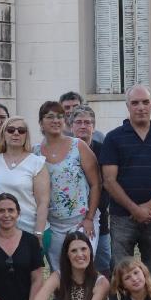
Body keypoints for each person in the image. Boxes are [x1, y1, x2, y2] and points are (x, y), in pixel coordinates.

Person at [98, 85, 151, 284]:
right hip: (122, 216)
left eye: (145, 102)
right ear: (127, 105)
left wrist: (148, 207)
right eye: (135, 103)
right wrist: (135, 209)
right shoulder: (114, 138)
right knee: (121, 271)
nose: (141, 107)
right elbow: (109, 181)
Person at [35, 100, 100, 269]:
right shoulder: (34, 153)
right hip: (52, 224)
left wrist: (89, 218)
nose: (56, 121)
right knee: (59, 272)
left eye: (59, 117)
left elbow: (95, 184)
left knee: (82, 268)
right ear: (41, 123)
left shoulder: (78, 146)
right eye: (50, 117)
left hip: (80, 221)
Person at [0, 117, 51, 246]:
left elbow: (43, 202)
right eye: (11, 130)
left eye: (21, 130)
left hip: (29, 229)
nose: (16, 133)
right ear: (3, 134)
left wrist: (38, 233)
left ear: (26, 135)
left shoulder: (37, 163)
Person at [66, 105, 109, 270]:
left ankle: (103, 295)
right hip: (70, 217)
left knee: (103, 263)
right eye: (78, 122)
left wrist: (92, 215)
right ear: (71, 126)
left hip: (99, 216)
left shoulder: (103, 150)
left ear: (94, 126)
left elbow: (104, 185)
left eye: (87, 122)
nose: (83, 126)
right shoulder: (65, 150)